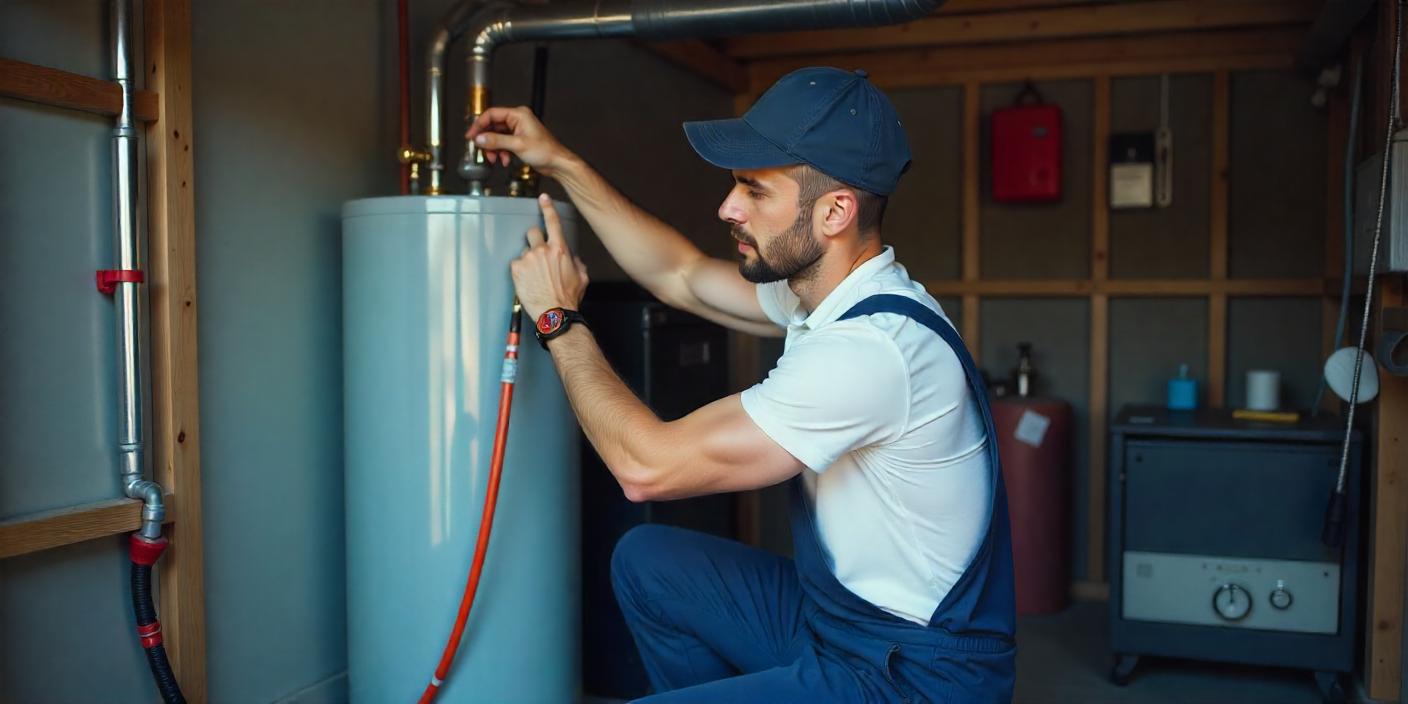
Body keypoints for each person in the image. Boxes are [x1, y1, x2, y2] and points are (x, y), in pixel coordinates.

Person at [468, 66, 1015, 703]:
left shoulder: (872, 351)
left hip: (912, 675)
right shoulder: (830, 298)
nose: (727, 207)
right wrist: (559, 160)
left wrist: (558, 319)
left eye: (754, 191)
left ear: (835, 211)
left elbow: (646, 468)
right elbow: (679, 273)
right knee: (649, 564)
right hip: (836, 624)